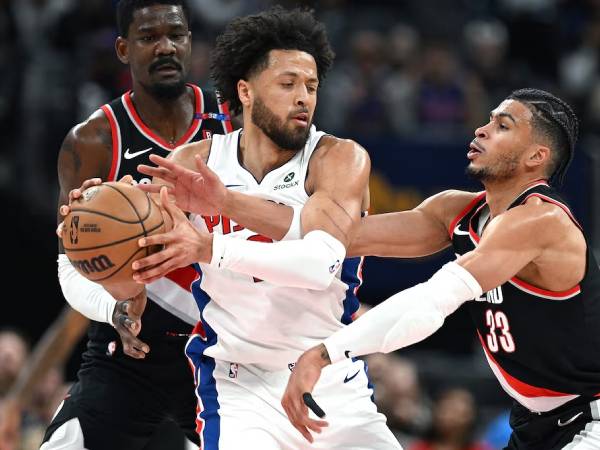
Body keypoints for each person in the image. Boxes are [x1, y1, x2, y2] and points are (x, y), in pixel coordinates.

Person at [130, 7, 401, 450]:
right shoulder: (193, 163)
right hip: (240, 384)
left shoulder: (337, 159)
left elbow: (319, 265)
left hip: (329, 377)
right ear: (246, 91)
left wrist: (209, 246)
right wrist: (98, 212)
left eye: (311, 87)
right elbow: (133, 240)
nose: (304, 98)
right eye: (288, 83)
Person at [282, 88, 600, 450]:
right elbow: (337, 238)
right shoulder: (457, 212)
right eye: (488, 120)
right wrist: (230, 217)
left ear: (536, 156)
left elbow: (431, 302)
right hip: (535, 422)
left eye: (502, 126)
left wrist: (325, 353)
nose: (481, 130)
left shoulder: (542, 220)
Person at [25, 1, 232, 449]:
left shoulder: (233, 123)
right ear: (123, 48)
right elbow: (68, 267)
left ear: (191, 41)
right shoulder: (93, 140)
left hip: (223, 347)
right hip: (132, 349)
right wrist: (113, 309)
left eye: (176, 35)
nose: (165, 47)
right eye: (148, 37)